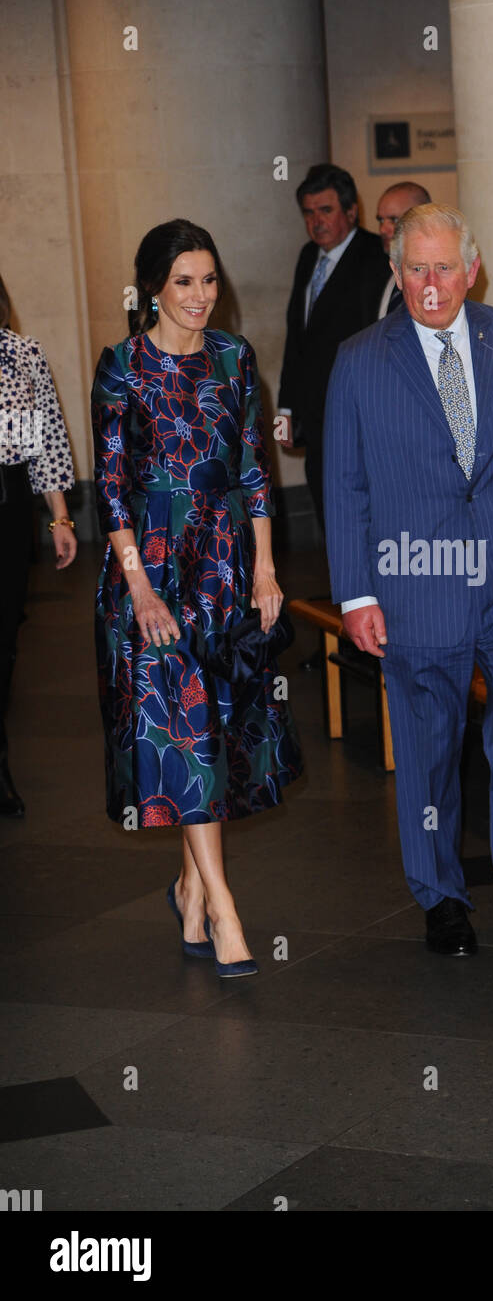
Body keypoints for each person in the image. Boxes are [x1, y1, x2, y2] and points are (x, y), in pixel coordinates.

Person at [324, 203, 493, 958]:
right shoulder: (360, 360)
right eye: (415, 268)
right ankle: (441, 899)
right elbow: (344, 488)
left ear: (472, 269)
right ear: (396, 272)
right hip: (415, 586)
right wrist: (358, 594)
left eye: (444, 267)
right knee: (431, 754)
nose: (430, 285)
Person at [91, 218, 302, 978]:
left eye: (209, 279)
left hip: (222, 570)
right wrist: (139, 589)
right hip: (148, 572)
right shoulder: (121, 368)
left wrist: (266, 568)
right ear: (153, 285)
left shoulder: (234, 359)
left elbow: (252, 471)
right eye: (184, 281)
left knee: (208, 735)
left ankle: (187, 883)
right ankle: (223, 906)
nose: (200, 296)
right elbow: (110, 491)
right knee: (183, 732)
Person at [274, 164, 390, 528]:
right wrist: (286, 411)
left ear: (351, 210)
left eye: (326, 210)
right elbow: (297, 339)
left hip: (357, 418)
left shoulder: (376, 258)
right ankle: (340, 584)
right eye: (308, 213)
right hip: (314, 417)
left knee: (362, 519)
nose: (316, 221)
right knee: (328, 514)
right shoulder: (308, 256)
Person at [0, 273, 77, 817]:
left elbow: (45, 440)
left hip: (7, 509)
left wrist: (60, 519)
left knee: (3, 638)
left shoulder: (21, 355)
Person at [374, 181, 431, 317]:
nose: (383, 229)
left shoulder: (437, 278)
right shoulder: (380, 270)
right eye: (381, 220)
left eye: (393, 220)